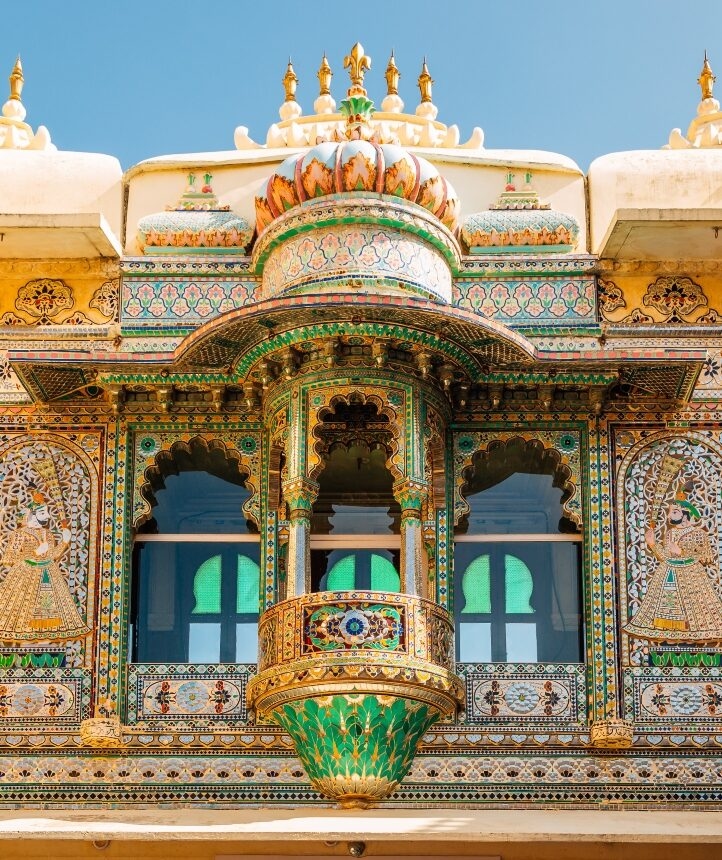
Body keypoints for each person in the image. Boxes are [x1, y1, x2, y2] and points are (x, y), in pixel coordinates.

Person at [625, 490, 722, 642]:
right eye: (670, 512)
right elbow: (665, 557)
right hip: (669, 573)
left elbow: (705, 558)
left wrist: (681, 552)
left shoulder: (699, 534)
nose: (669, 516)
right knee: (665, 608)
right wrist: (652, 544)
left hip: (691, 577)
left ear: (685, 514)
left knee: (694, 611)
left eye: (674, 512)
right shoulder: (670, 533)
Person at [0, 489, 90, 641]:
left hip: (48, 571)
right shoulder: (20, 533)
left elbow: (52, 555)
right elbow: (9, 557)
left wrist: (64, 542)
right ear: (32, 514)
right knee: (25, 607)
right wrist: (34, 552)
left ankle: (47, 635)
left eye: (47, 513)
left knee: (49, 608)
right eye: (43, 513)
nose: (47, 516)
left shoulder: (47, 533)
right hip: (27, 573)